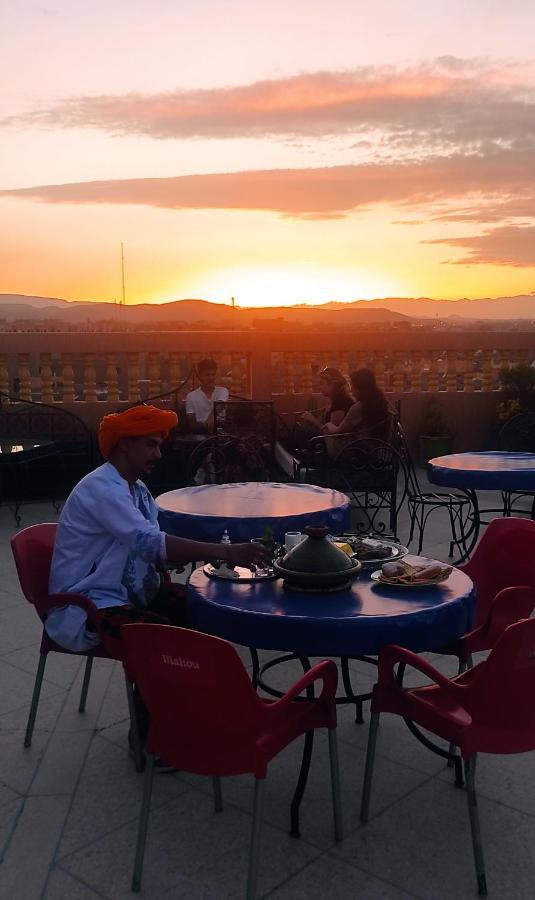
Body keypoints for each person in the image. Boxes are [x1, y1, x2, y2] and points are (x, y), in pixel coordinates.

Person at [46, 404, 269, 654]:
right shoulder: (103, 489)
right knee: (166, 642)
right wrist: (227, 552)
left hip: (129, 593)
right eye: (150, 445)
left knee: (207, 608)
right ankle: (157, 692)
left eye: (159, 446)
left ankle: (192, 690)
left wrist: (168, 559)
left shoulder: (137, 489)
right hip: (87, 605)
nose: (158, 455)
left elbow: (151, 547)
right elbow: (152, 542)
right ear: (124, 444)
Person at [322, 368, 390, 442]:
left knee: (326, 433)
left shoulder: (359, 407)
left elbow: (338, 432)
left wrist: (328, 424)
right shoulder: (382, 402)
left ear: (358, 389)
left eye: (352, 386)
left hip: (360, 448)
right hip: (381, 447)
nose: (351, 390)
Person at [185, 358, 229, 433]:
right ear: (200, 376)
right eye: (207, 375)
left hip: (219, 431)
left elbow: (220, 404)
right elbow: (191, 421)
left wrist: (211, 418)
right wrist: (206, 424)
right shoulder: (191, 396)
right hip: (200, 432)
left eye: (213, 375)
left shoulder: (223, 391)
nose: (211, 378)